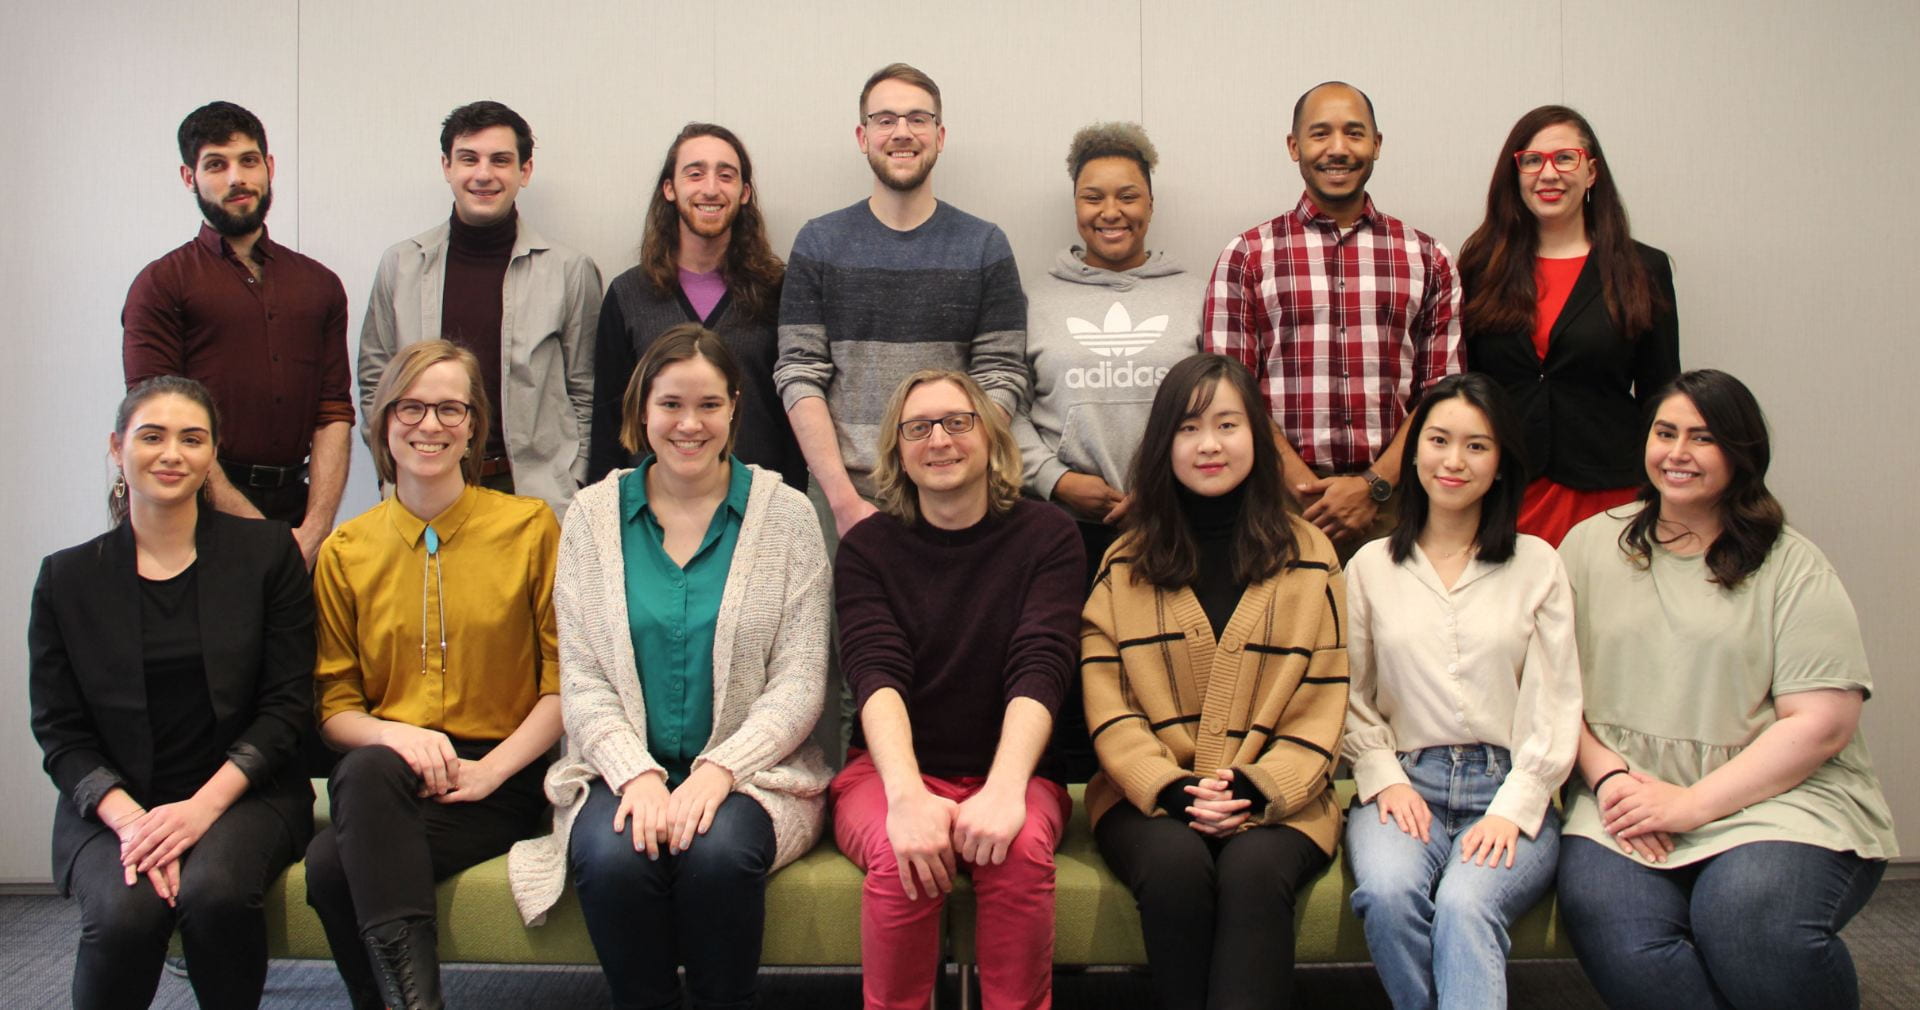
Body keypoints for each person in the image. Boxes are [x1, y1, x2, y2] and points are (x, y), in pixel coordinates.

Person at [509, 325, 831, 1009]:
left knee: (715, 858)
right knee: (614, 860)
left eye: (709, 405)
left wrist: (718, 772)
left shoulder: (789, 518)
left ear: (735, 408)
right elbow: (585, 680)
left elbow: (802, 682)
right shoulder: (592, 518)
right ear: (641, 410)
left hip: (755, 777)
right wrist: (638, 777)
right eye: (671, 405)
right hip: (616, 772)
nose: (690, 424)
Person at [1556, 370, 1898, 1010]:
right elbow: (1551, 691)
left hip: (1775, 798)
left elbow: (1821, 723)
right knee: (1614, 924)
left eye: (1702, 438)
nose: (1677, 453)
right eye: (1665, 433)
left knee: (1746, 921)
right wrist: (1608, 779)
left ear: (1741, 456)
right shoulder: (1587, 545)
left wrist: (1690, 807)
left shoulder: (1791, 563)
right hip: (1625, 793)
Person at [29, 376, 315, 1009]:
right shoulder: (67, 577)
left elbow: (287, 707)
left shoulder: (267, 552)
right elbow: (59, 731)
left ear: (212, 454)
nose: (171, 454)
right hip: (115, 804)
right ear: (116, 447)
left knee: (214, 893)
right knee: (125, 913)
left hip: (244, 793)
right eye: (151, 436)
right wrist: (134, 821)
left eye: (192, 439)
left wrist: (197, 812)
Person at [1081, 353, 1347, 1010]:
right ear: (1162, 443)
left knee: (1255, 872)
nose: (1209, 445)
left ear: (1257, 436)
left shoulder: (1311, 555)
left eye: (1228, 425)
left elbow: (1323, 703)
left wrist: (1256, 790)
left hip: (1283, 795)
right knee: (1175, 866)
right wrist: (1171, 789)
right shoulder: (1126, 562)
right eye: (1189, 427)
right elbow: (1107, 701)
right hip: (1148, 796)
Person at [306, 341, 562, 1010]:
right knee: (365, 772)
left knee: (333, 866)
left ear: (474, 425)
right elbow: (334, 705)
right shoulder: (345, 551)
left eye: (451, 408)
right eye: (412, 407)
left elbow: (564, 684)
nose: (430, 425)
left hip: (501, 774)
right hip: (387, 770)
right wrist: (395, 737)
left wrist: (492, 770)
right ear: (384, 423)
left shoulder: (531, 528)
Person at [830, 370, 1082, 1010]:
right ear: (898, 453)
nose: (938, 439)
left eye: (957, 422)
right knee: (901, 852)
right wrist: (908, 796)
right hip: (890, 772)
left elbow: (1041, 663)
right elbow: (875, 673)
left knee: (1019, 849)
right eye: (918, 428)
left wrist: (1003, 789)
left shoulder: (1049, 535)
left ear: (992, 440)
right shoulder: (866, 549)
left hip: (1017, 771)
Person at [1340, 373, 1582, 1009]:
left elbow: (1557, 700)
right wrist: (1381, 773)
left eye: (1477, 446)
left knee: (1466, 904)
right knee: (1389, 895)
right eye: (1439, 440)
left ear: (1502, 463)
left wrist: (1517, 802)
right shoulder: (1368, 567)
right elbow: (1349, 692)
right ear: (1414, 451)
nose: (1454, 461)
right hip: (1404, 780)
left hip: (1506, 784)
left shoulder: (1538, 563)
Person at [1202, 81, 1463, 561]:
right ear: (1294, 146)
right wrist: (1304, 487)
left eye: (1354, 133)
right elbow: (1227, 392)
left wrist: (1374, 486)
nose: (1337, 149)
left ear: (1377, 145)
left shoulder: (1428, 257)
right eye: (1320, 134)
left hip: (1397, 506)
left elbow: (1442, 392)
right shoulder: (1246, 256)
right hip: (1280, 506)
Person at [775, 62, 1028, 539]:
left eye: (918, 118)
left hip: (958, 497)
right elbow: (799, 372)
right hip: (845, 499)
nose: (902, 132)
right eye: (885, 119)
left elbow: (1002, 372)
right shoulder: (819, 243)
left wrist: (954, 474)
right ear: (862, 135)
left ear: (940, 134)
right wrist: (843, 501)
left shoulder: (984, 246)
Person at [122, 101, 353, 563]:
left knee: (294, 639)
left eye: (248, 161)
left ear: (268, 167)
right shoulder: (161, 284)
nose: (236, 179)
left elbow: (333, 415)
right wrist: (259, 533)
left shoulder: (319, 284)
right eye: (216, 165)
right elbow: (161, 423)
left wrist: (313, 530)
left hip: (298, 516)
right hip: (194, 514)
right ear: (189, 177)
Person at [358, 100, 601, 516]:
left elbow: (587, 388)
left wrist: (572, 478)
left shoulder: (569, 271)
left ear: (524, 171)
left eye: (500, 160)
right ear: (447, 166)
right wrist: (392, 468)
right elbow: (375, 382)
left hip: (531, 495)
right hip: (424, 484)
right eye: (468, 159)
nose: (484, 174)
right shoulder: (400, 265)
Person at [1457, 105, 1679, 546]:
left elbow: (1663, 394)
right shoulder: (1480, 266)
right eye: (1532, 160)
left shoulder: (1642, 268)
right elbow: (1467, 385)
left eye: (1565, 158)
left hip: (1609, 490)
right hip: (1508, 490)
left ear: (1591, 172)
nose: (1548, 173)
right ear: (1515, 173)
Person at [590, 124, 805, 491]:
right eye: (695, 173)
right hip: (651, 507)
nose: (710, 188)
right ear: (670, 189)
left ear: (744, 193)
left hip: (758, 504)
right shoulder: (628, 295)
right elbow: (608, 419)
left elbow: (794, 412)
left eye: (726, 175)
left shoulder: (779, 291)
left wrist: (793, 501)